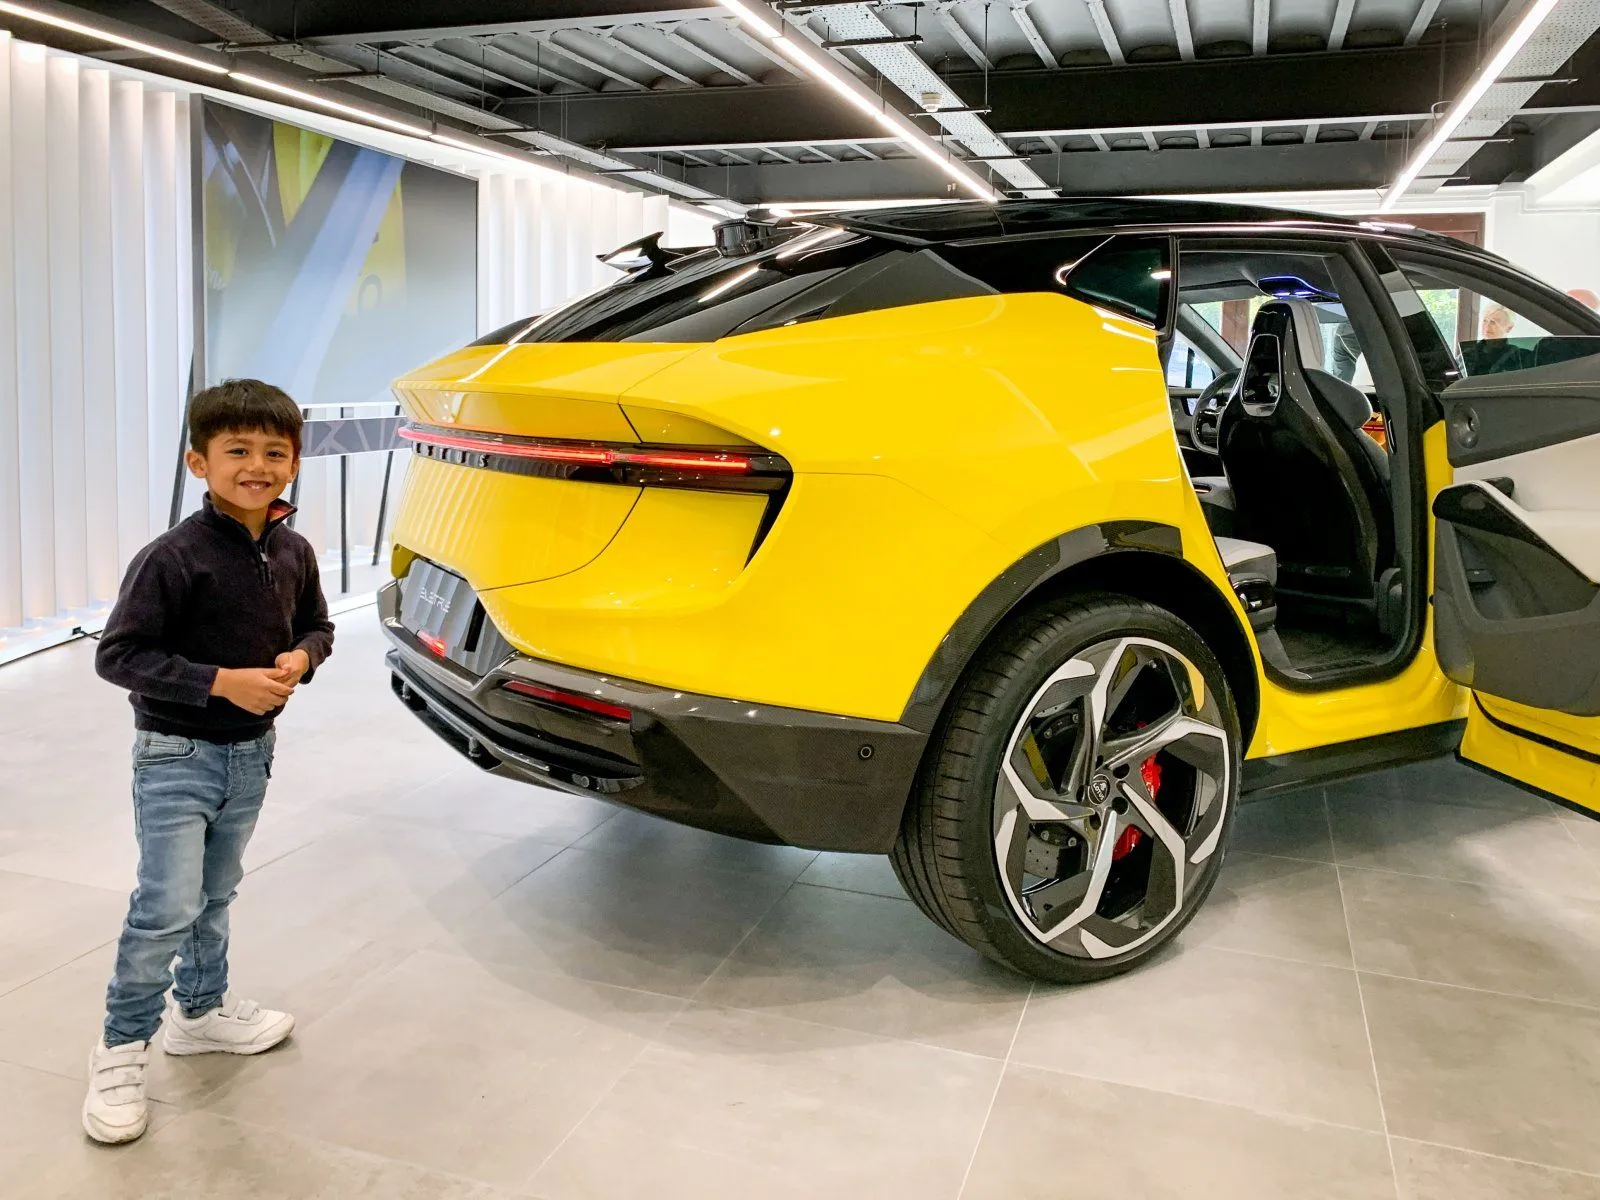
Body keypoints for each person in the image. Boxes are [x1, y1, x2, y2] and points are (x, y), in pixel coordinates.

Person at [83, 379, 334, 1144]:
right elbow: (119, 655)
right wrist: (220, 682)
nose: (257, 466)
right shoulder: (172, 558)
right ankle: (121, 1048)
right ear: (200, 462)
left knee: (215, 893)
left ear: (293, 462)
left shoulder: (292, 550)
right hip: (175, 754)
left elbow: (319, 627)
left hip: (252, 756)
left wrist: (300, 657)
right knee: (166, 905)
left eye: (274, 452)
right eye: (237, 451)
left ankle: (199, 1013)